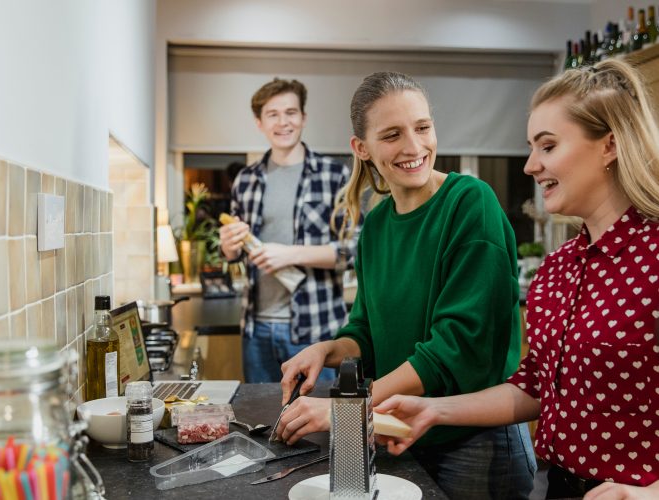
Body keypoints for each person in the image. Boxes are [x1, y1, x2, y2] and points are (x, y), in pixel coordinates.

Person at [374, 59, 659, 499]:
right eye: (531, 147)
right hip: (562, 486)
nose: (529, 165)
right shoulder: (558, 268)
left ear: (609, 146)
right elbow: (535, 388)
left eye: (547, 146)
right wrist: (433, 409)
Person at [274, 71, 535, 499]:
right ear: (362, 149)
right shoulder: (376, 224)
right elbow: (366, 330)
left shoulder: (471, 203)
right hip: (398, 434)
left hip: (475, 445)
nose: (414, 147)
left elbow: (455, 349)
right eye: (392, 135)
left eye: (423, 127)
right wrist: (326, 349)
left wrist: (349, 411)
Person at [219, 78, 359, 383]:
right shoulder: (246, 179)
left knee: (321, 425)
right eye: (273, 114)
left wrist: (290, 254)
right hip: (256, 331)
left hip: (316, 330)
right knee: (263, 425)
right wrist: (229, 247)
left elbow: (356, 250)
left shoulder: (334, 175)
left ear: (303, 118)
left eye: (291, 112)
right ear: (259, 123)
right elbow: (234, 256)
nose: (283, 122)